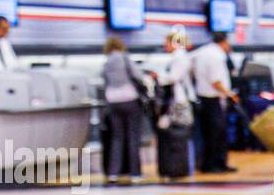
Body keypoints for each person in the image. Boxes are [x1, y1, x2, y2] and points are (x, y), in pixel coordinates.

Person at [150, 29, 197, 180]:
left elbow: (174, 78)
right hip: (179, 100)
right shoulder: (180, 57)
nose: (165, 46)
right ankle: (176, 166)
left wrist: (159, 76)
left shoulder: (180, 58)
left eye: (166, 43)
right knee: (178, 134)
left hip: (179, 101)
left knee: (178, 134)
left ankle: (178, 166)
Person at [190, 31, 238, 174]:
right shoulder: (216, 56)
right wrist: (230, 94)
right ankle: (214, 165)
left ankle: (212, 164)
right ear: (224, 42)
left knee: (208, 134)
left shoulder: (203, 52)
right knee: (216, 134)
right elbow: (216, 81)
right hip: (213, 100)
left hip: (203, 98)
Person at [101, 37, 146, 184]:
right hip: (129, 98)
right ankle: (135, 174)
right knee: (133, 136)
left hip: (113, 101)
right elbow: (138, 76)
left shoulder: (106, 63)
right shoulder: (125, 58)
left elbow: (104, 81)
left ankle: (113, 173)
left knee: (117, 138)